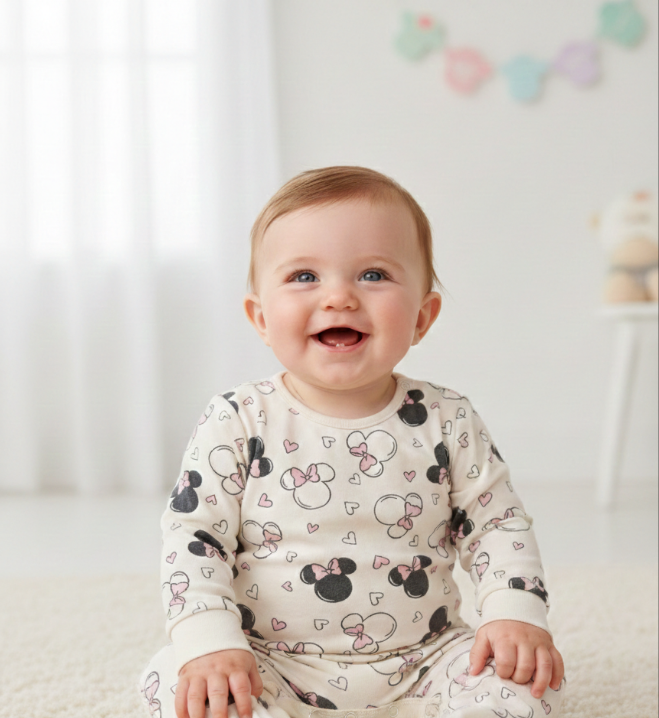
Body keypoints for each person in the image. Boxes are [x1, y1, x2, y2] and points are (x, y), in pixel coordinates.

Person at [138, 167, 565, 718]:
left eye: (372, 274)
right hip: (267, 663)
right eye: (304, 276)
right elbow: (195, 538)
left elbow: (497, 524)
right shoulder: (237, 419)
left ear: (422, 317)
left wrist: (514, 613)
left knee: (531, 684)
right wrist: (210, 644)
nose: (338, 297)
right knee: (173, 683)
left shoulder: (447, 418)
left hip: (427, 660)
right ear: (261, 318)